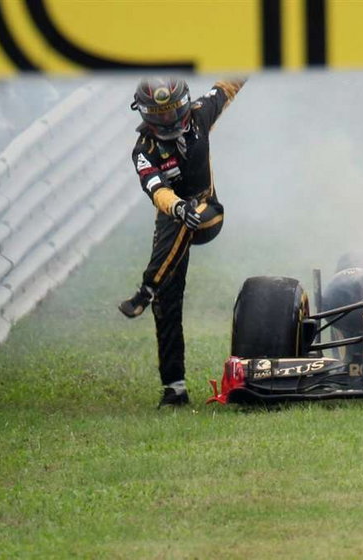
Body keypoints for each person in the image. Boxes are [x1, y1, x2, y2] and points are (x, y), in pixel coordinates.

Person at [119, 77, 245, 408]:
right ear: (144, 114)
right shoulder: (143, 150)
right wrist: (176, 206)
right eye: (158, 115)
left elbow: (228, 87)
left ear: (186, 104)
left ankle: (146, 288)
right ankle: (174, 389)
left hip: (208, 210)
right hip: (172, 215)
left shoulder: (202, 114)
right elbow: (156, 189)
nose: (169, 121)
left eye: (173, 111)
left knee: (192, 218)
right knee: (167, 303)